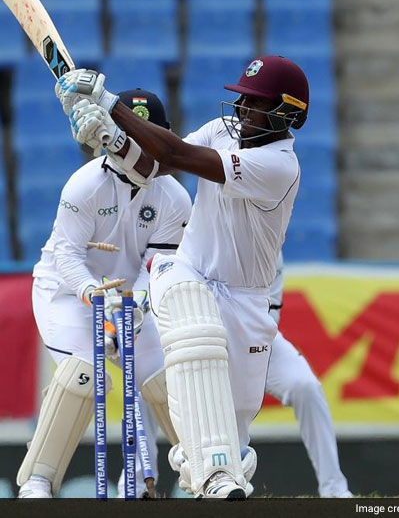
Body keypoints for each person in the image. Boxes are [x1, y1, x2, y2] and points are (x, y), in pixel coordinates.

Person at [54, 55, 308, 498]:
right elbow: (153, 168)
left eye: (255, 103)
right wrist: (111, 140)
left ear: (287, 113)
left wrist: (109, 104)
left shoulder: (280, 166)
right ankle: (211, 471)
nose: (242, 110)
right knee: (191, 313)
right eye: (242, 99)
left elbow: (174, 154)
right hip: (184, 270)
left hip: (246, 299)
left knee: (232, 435)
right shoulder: (222, 130)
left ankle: (204, 469)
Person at [17, 90, 189, 498]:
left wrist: (137, 306)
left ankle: (202, 472)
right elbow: (67, 256)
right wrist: (95, 297)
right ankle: (38, 481)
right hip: (67, 293)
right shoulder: (85, 185)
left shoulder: (175, 198)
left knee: (162, 379)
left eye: (150, 137)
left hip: (130, 301)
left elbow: (158, 265)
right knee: (84, 375)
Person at [264, 252, 352, 498]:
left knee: (306, 386)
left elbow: (270, 315)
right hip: (214, 344)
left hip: (259, 340)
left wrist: (253, 349)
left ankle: (334, 489)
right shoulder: (215, 241)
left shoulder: (273, 246)